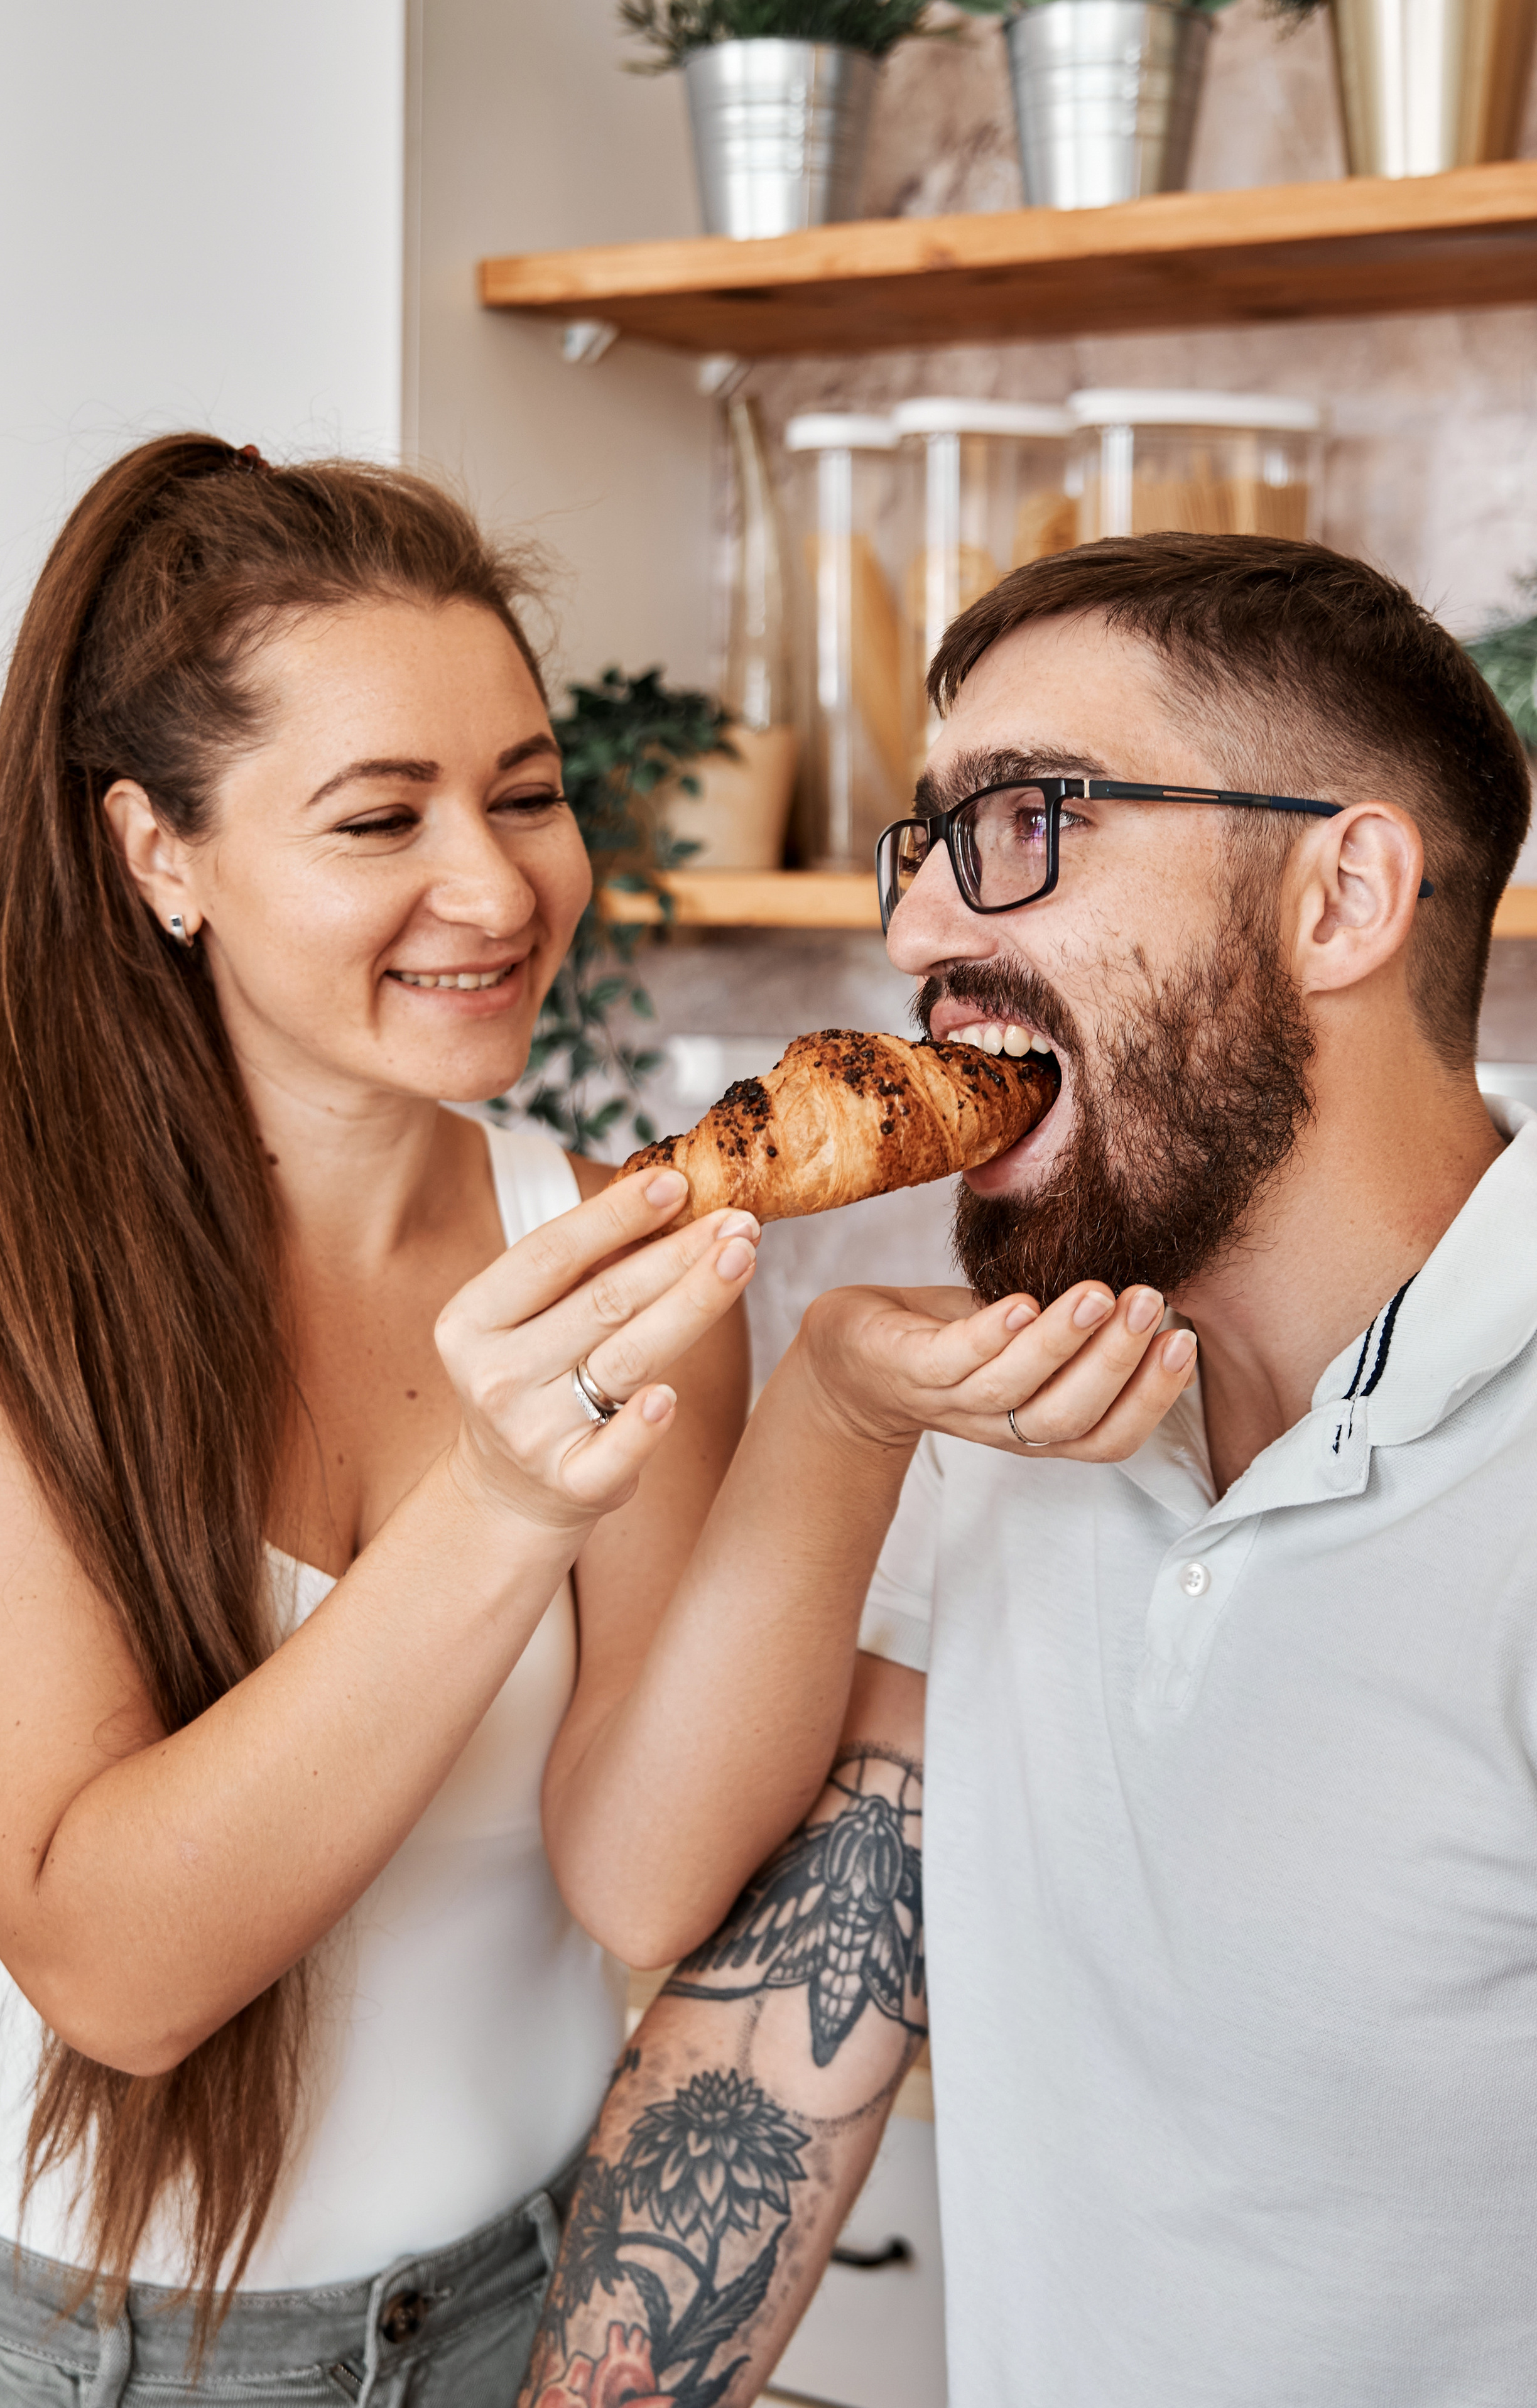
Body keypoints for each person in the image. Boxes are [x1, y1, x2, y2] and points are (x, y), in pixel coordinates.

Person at [520, 533, 1537, 2408]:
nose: (915, 937)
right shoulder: (1029, 1409)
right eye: (929, 842)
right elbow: (756, 2030)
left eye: (1030, 819)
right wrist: (837, 1391)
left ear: (1346, 894)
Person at [0, 431, 861, 2408]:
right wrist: (508, 1496)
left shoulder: (612, 1237)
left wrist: (839, 1415)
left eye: (527, 794)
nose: (494, 882)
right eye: (380, 817)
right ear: (152, 852)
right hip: (87, 2362)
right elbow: (116, 1964)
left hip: (525, 2309)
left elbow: (637, 1875)